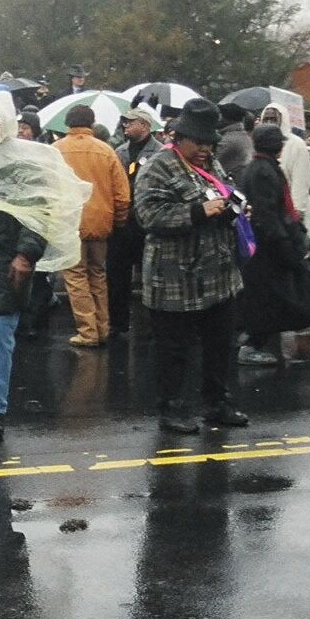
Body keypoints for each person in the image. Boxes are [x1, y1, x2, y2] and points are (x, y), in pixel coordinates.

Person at [0, 89, 89, 441]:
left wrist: (26, 254)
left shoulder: (22, 164)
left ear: (3, 123)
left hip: (4, 268)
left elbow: (39, 214)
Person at [134, 97, 249, 433]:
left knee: (220, 344)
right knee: (173, 350)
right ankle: (171, 407)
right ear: (179, 138)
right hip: (175, 277)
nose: (205, 149)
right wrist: (198, 212)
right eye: (198, 142)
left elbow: (224, 195)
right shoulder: (158, 166)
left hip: (219, 275)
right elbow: (148, 216)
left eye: (209, 142)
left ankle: (217, 402)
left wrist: (234, 209)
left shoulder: (212, 164)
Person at [236, 125, 310, 364]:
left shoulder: (259, 167)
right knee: (272, 295)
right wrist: (285, 240)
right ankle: (253, 344)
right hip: (270, 245)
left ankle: (256, 338)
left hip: (266, 244)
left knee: (271, 295)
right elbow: (268, 213)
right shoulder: (264, 171)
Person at [53, 103, 130, 348]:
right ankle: (103, 327)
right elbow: (122, 194)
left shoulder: (56, 150)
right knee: (97, 274)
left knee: (75, 276)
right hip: (101, 223)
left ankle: (87, 332)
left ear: (68, 123)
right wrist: (118, 221)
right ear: (91, 123)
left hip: (69, 223)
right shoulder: (106, 151)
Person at [108, 106, 162, 337]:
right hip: (122, 221)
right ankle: (118, 322)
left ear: (145, 126)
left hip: (146, 222)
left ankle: (155, 324)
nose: (126, 126)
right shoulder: (119, 151)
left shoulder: (159, 152)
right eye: (125, 122)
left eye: (131, 122)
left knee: (152, 275)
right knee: (117, 274)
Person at [258, 102, 310, 242]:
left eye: (273, 119)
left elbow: (301, 182)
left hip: (292, 217)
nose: (270, 123)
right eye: (266, 119)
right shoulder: (259, 145)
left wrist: (295, 215)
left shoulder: (296, 144)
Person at [214, 102, 253, 177]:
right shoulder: (241, 135)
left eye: (219, 115)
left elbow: (212, 163)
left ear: (227, 119)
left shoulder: (228, 141)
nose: (217, 119)